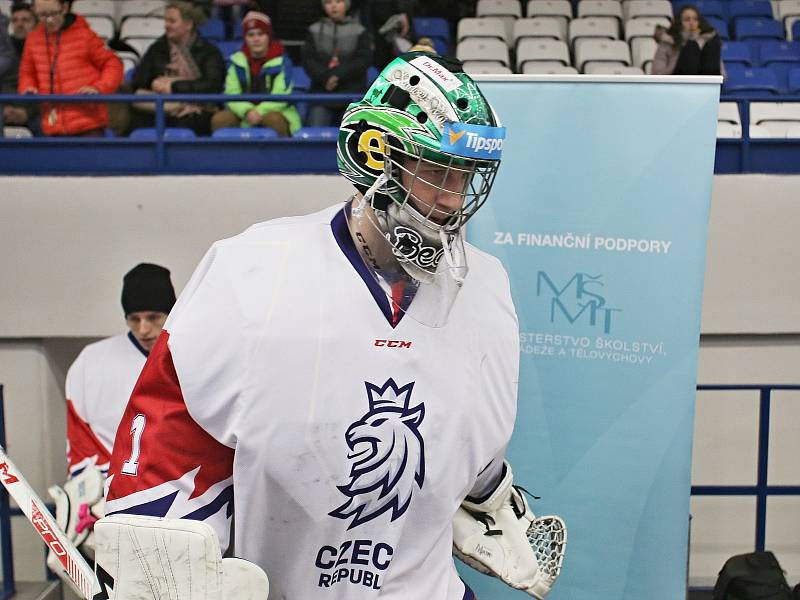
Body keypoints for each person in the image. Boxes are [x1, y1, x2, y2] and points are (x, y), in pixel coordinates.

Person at [96, 53, 566, 599]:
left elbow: (466, 432)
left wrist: (486, 495)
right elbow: (170, 429)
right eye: (436, 171)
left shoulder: (488, 288)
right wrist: (152, 562)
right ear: (376, 153)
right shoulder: (252, 269)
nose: (451, 200)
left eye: (464, 177)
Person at [46, 264, 177, 594]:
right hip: (112, 505)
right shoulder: (91, 362)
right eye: (133, 319)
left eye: (154, 317)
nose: (143, 328)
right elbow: (80, 437)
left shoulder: (191, 355)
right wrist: (95, 494)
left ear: (172, 312)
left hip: (179, 507)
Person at [16, 0, 122, 136]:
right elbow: (27, 73)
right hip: (51, 126)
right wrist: (28, 87)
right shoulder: (33, 39)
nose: (49, 20)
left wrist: (99, 88)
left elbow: (113, 63)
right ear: (34, 10)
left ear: (64, 8)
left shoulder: (85, 35)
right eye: (42, 15)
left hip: (88, 125)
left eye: (54, 13)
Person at [128, 1, 225, 136]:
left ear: (188, 25)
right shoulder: (157, 48)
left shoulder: (209, 52)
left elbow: (212, 85)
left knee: (187, 122)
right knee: (137, 122)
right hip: (159, 106)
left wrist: (174, 86)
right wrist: (155, 83)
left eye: (172, 21)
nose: (166, 25)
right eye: (165, 21)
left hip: (198, 108)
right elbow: (138, 80)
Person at [210, 10, 301, 136]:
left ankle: (282, 155)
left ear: (268, 36)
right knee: (220, 119)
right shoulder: (236, 61)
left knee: (273, 119)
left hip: (275, 111)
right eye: (251, 35)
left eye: (261, 34)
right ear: (245, 38)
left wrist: (257, 112)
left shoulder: (282, 62)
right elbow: (231, 94)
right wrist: (247, 111)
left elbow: (280, 97)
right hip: (243, 112)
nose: (256, 39)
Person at [301, 0, 371, 127]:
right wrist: (325, 77)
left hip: (351, 96)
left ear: (347, 4)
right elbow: (308, 60)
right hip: (321, 95)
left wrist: (337, 76)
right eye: (328, 2)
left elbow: (363, 60)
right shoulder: (313, 30)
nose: (333, 6)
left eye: (338, 1)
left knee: (351, 138)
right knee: (315, 134)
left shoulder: (360, 31)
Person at [1, 2, 40, 133]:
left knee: (44, 126)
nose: (19, 24)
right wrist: (4, 108)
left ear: (35, 23)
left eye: (25, 20)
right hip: (4, 109)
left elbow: (50, 87)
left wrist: (26, 113)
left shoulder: (45, 49)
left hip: (35, 111)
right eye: (15, 20)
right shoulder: (4, 50)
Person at [652, 4, 722, 76]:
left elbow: (722, 74)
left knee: (711, 44)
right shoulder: (667, 43)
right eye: (687, 19)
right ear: (678, 23)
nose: (692, 23)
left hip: (705, 82)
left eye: (695, 19)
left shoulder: (707, 42)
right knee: (691, 46)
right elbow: (657, 73)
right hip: (677, 81)